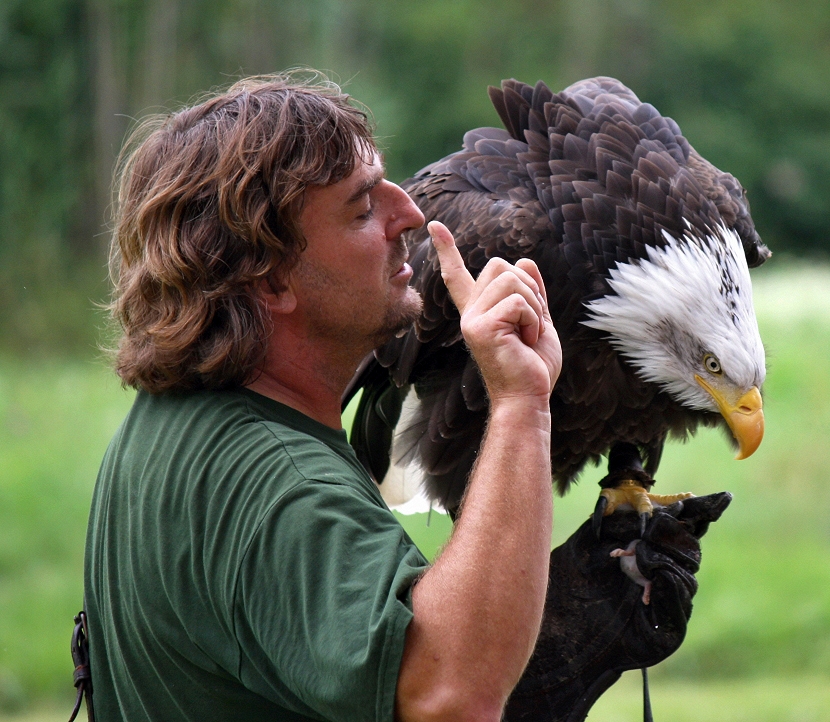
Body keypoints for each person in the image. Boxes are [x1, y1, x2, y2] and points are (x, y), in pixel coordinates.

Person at [86, 72, 561, 722]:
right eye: (362, 209)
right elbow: (450, 693)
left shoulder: (172, 421)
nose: (411, 215)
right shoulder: (277, 482)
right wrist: (519, 405)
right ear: (271, 277)